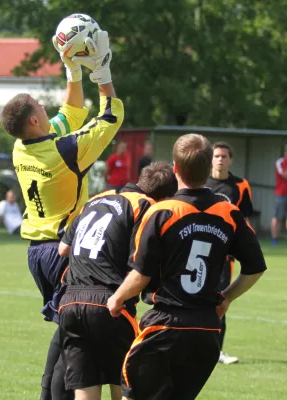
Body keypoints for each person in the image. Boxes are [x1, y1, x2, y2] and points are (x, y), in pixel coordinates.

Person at [0, 30, 123, 400]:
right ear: (36, 121)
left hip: (37, 250)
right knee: (78, 332)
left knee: (69, 327)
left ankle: (48, 394)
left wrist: (72, 69)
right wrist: (101, 73)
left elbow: (70, 113)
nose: (45, 108)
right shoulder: (66, 152)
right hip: (63, 251)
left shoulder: (24, 148)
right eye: (40, 107)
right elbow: (111, 116)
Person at [107, 133, 266, 400]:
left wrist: (117, 298)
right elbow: (255, 268)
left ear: (175, 168)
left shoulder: (162, 212)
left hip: (165, 325)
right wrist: (225, 298)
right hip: (206, 331)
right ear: (208, 168)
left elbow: (141, 274)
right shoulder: (228, 212)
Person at [57, 161, 177, 400]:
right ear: (164, 198)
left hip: (70, 301)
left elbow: (63, 249)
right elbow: (143, 264)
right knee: (124, 385)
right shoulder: (147, 206)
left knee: (86, 386)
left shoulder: (97, 198)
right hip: (110, 304)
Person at [206, 141, 253, 364]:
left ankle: (217, 351)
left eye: (224, 156)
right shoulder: (202, 181)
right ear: (211, 159)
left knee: (221, 298)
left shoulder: (240, 185)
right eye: (216, 156)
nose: (220, 159)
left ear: (230, 159)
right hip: (199, 248)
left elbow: (244, 220)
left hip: (225, 254)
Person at [270, 145, 287, 245]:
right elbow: (285, 175)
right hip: (281, 194)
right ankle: (274, 239)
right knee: (277, 217)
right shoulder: (280, 162)